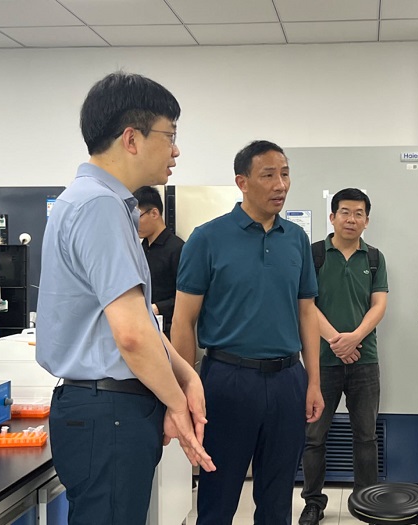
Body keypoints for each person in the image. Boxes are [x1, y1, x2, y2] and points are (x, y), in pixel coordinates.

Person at [36, 72, 215, 525]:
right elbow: (132, 336)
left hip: (107, 409)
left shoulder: (96, 202)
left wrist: (185, 377)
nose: (176, 151)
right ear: (131, 139)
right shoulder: (98, 206)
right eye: (170, 136)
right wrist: (177, 403)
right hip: (109, 411)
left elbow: (143, 325)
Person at [171, 139, 324, 525]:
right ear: (242, 182)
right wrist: (182, 391)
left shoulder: (297, 240)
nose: (280, 185)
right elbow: (183, 321)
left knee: (277, 501)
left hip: (288, 379)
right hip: (227, 380)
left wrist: (313, 382)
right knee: (218, 498)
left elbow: (307, 313)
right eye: (268, 175)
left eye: (285, 174)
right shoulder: (207, 238)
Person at [299, 188, 389, 525]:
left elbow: (379, 305)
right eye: (345, 212)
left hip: (365, 360)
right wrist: (336, 341)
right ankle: (313, 502)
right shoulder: (313, 254)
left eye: (359, 213)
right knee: (314, 437)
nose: (352, 219)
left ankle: (368, 501)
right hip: (321, 361)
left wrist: (354, 338)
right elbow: (305, 303)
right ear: (332, 217)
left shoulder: (375, 258)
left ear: (367, 220)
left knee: (366, 435)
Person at [132, 186, 185, 339]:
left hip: (168, 330)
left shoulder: (177, 248)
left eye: (138, 217)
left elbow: (187, 298)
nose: (134, 224)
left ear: (154, 213)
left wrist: (157, 307)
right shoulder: (140, 248)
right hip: (142, 326)